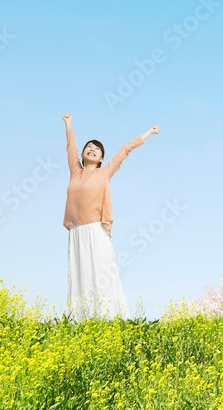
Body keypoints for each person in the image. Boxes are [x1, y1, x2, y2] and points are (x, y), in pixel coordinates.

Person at [61, 112, 159, 321]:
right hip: (77, 232)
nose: (92, 150)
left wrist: (148, 134)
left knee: (99, 274)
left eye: (97, 149)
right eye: (89, 147)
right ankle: (80, 319)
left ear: (102, 158)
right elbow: (71, 148)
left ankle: (108, 317)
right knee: (79, 275)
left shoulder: (104, 173)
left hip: (96, 231)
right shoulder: (75, 171)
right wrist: (69, 124)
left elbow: (124, 150)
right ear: (83, 154)